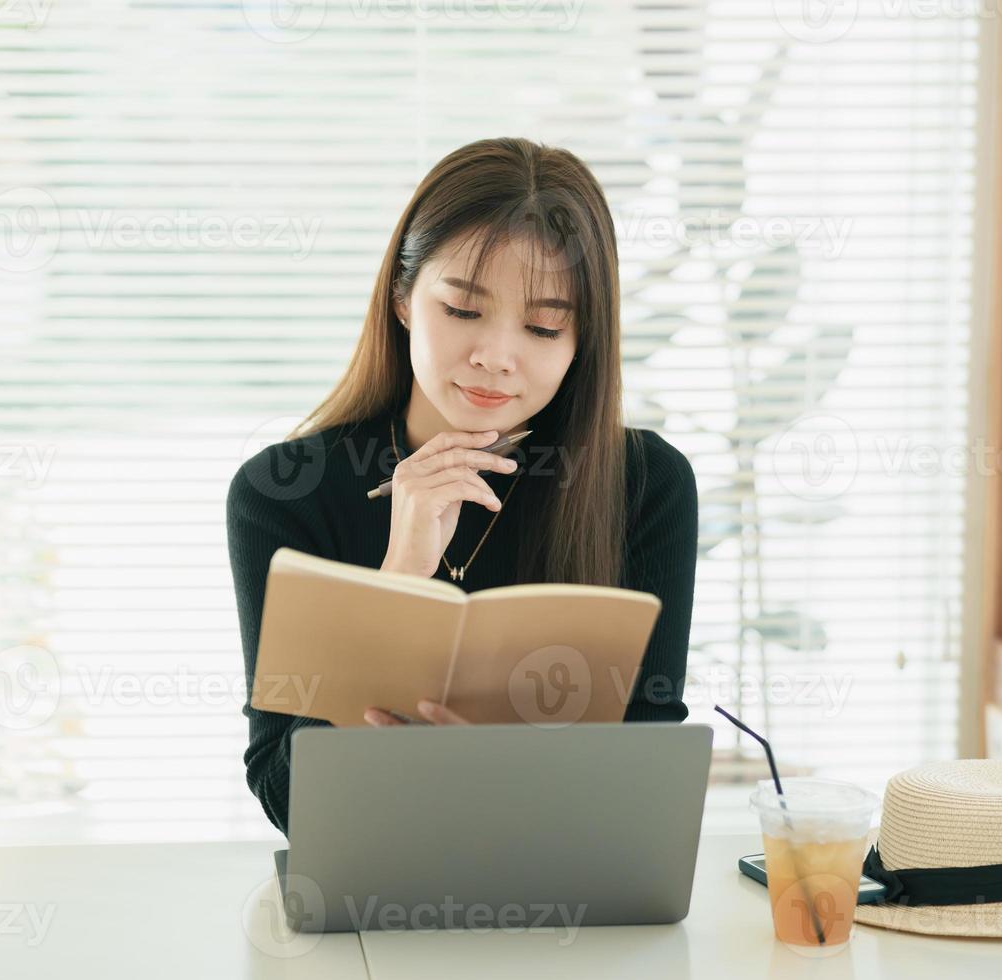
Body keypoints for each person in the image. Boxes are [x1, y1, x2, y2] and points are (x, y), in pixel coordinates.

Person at [226, 137, 700, 835]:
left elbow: (650, 777)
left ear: (582, 341)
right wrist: (400, 577)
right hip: (366, 898)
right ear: (403, 299)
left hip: (573, 903)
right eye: (463, 310)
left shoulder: (644, 485)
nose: (495, 358)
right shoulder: (282, 492)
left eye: (543, 326)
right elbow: (285, 798)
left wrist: (493, 771)